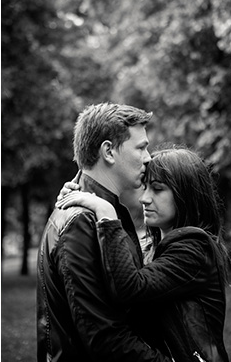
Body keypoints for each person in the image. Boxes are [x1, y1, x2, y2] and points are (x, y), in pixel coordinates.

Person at [56, 146, 230, 362]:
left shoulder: (194, 250)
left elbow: (129, 288)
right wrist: (79, 195)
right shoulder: (169, 247)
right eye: (145, 187)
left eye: (157, 189)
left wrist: (107, 215)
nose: (144, 198)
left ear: (186, 194)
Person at [36, 102, 170, 361]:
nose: (148, 157)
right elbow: (103, 338)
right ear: (108, 151)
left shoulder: (101, 211)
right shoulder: (81, 222)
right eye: (141, 147)